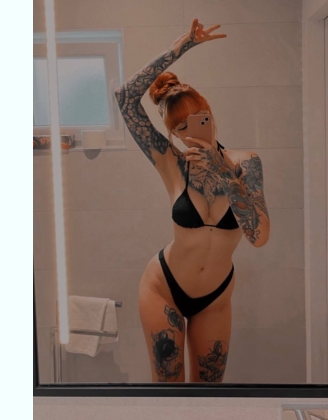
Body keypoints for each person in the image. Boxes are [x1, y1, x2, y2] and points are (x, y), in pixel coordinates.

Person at [115, 19, 270, 383]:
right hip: (164, 286)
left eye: (197, 121)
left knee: (209, 392)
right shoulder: (171, 162)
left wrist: (223, 171)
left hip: (215, 296)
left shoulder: (246, 163)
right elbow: (124, 98)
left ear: (209, 113)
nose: (190, 134)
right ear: (172, 133)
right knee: (168, 391)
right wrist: (178, 49)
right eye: (179, 129)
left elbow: (259, 236)